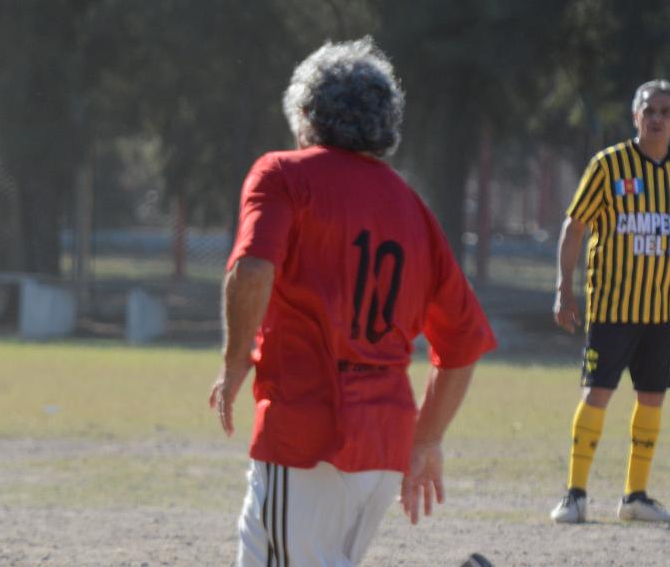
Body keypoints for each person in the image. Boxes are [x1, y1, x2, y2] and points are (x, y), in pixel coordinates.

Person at [208, 37, 496, 566]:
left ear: (305, 114)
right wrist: (426, 439)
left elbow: (251, 269)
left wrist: (233, 362)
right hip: (385, 441)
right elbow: (463, 343)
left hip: (308, 431)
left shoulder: (283, 174)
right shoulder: (411, 207)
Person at [550, 79, 670, 524]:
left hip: (662, 313)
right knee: (597, 393)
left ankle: (635, 497)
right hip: (612, 309)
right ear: (635, 116)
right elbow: (574, 226)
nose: (657, 119)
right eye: (649, 110)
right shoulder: (608, 166)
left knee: (652, 398)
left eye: (666, 112)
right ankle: (575, 494)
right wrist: (564, 288)